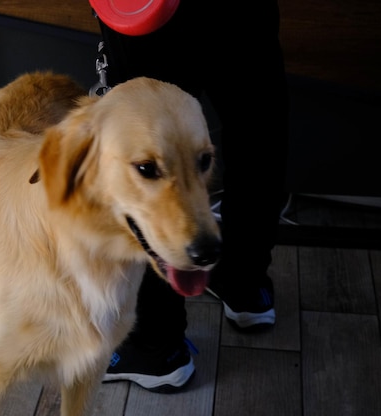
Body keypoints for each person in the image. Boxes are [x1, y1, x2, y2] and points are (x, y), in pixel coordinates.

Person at [91, 0, 290, 392]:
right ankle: (245, 284)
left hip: (156, 10)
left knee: (150, 150)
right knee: (257, 127)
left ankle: (154, 347)